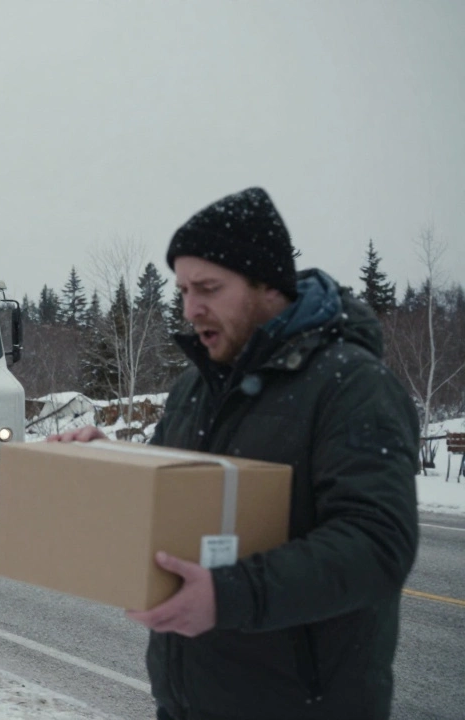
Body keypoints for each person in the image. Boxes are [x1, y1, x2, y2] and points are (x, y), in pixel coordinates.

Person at [51, 187, 419, 720]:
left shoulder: (352, 385)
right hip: (188, 701)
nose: (190, 308)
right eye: (182, 290)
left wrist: (229, 595)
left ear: (267, 285)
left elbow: (377, 544)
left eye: (209, 288)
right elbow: (171, 498)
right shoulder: (194, 387)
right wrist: (112, 464)